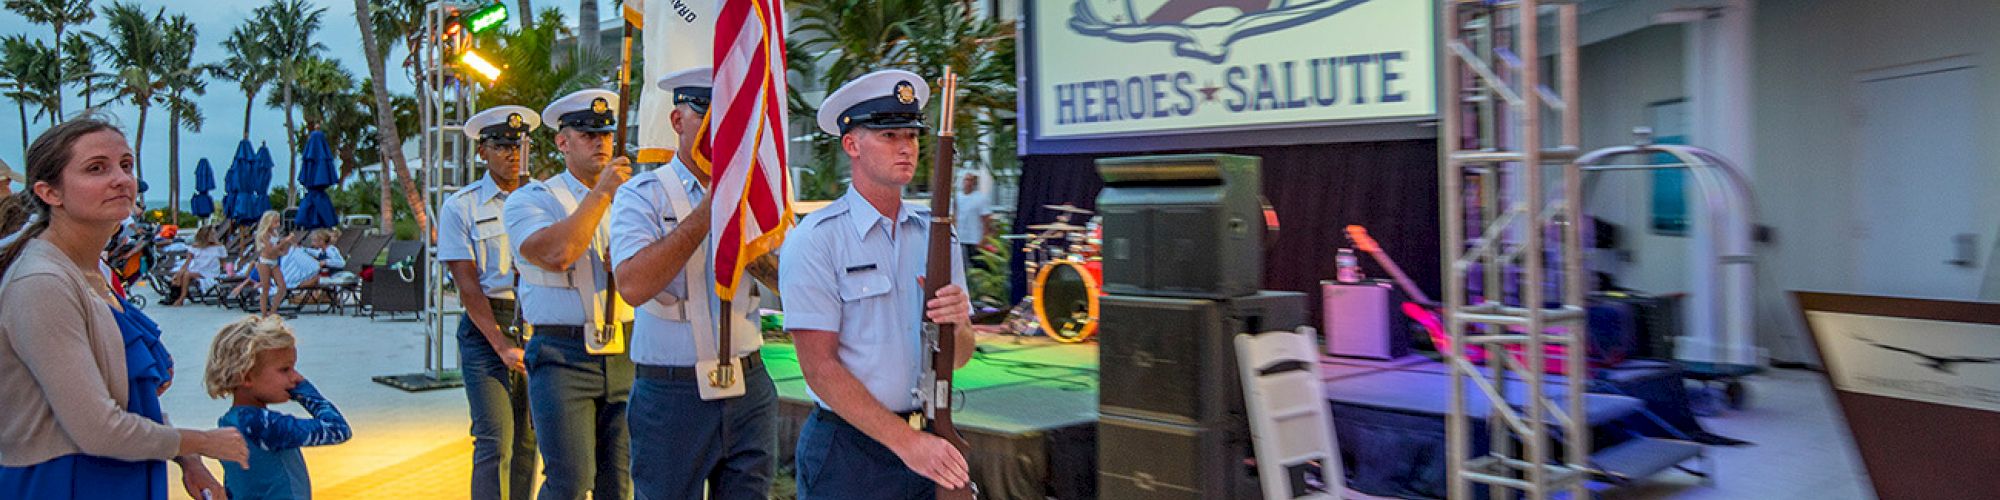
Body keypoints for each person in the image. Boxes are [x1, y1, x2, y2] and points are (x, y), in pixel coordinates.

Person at [0, 116, 247, 499]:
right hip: (68, 481)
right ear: (50, 192)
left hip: (115, 475)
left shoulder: (91, 272)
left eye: (126, 165)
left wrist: (187, 460)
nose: (120, 178)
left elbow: (123, 401)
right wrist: (203, 441)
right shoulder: (42, 284)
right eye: (96, 168)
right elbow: (98, 428)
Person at [779, 69, 977, 500]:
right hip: (851, 452)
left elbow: (958, 357)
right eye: (889, 136)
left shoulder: (936, 235)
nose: (906, 147)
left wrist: (958, 324)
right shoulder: (817, 239)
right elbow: (820, 369)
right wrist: (908, 445)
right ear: (851, 144)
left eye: (911, 135)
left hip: (928, 436)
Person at [611, 67, 783, 500]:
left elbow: (790, 282)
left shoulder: (757, 193)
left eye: (726, 114)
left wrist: (745, 223)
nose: (714, 126)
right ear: (676, 121)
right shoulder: (642, 195)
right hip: (672, 393)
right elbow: (632, 284)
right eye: (703, 110)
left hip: (749, 384)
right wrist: (710, 211)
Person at [504, 88, 636, 500]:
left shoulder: (634, 200)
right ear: (563, 142)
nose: (600, 142)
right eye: (587, 134)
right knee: (571, 481)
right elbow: (558, 253)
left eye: (606, 135)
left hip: (625, 347)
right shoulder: (532, 199)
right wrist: (600, 194)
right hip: (563, 352)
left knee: (620, 480)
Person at [440, 104, 540, 500]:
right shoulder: (462, 206)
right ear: (482, 151)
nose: (511, 154)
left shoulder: (540, 200)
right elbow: (467, 287)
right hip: (486, 327)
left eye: (516, 145)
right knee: (495, 438)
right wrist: (500, 344)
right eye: (500, 146)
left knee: (529, 440)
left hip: (534, 319)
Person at [205, 315, 352, 500]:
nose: (295, 377)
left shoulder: (229, 422)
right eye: (285, 369)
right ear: (246, 377)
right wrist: (305, 390)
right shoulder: (263, 425)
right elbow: (337, 429)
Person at [250, 211, 298, 316]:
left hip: (274, 261)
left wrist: (286, 246)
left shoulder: (275, 233)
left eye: (278, 221)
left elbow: (277, 249)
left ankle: (272, 311)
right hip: (265, 262)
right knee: (265, 288)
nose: (278, 224)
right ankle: (263, 314)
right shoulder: (264, 235)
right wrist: (285, 241)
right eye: (275, 222)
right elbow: (270, 250)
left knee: (282, 287)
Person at [168, 225, 227, 306]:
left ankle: (181, 298)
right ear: (204, 235)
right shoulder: (195, 247)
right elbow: (187, 263)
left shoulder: (219, 247)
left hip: (210, 272)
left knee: (187, 274)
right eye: (212, 234)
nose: (214, 236)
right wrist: (178, 274)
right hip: (197, 270)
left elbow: (223, 263)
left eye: (214, 234)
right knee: (181, 274)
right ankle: (176, 296)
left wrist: (228, 272)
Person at [952, 172, 991, 274]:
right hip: (960, 238)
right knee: (961, 267)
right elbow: (954, 216)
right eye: (966, 180)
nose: (967, 183)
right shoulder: (957, 197)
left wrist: (984, 239)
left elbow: (986, 220)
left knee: (976, 267)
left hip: (975, 239)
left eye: (970, 180)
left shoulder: (981, 198)